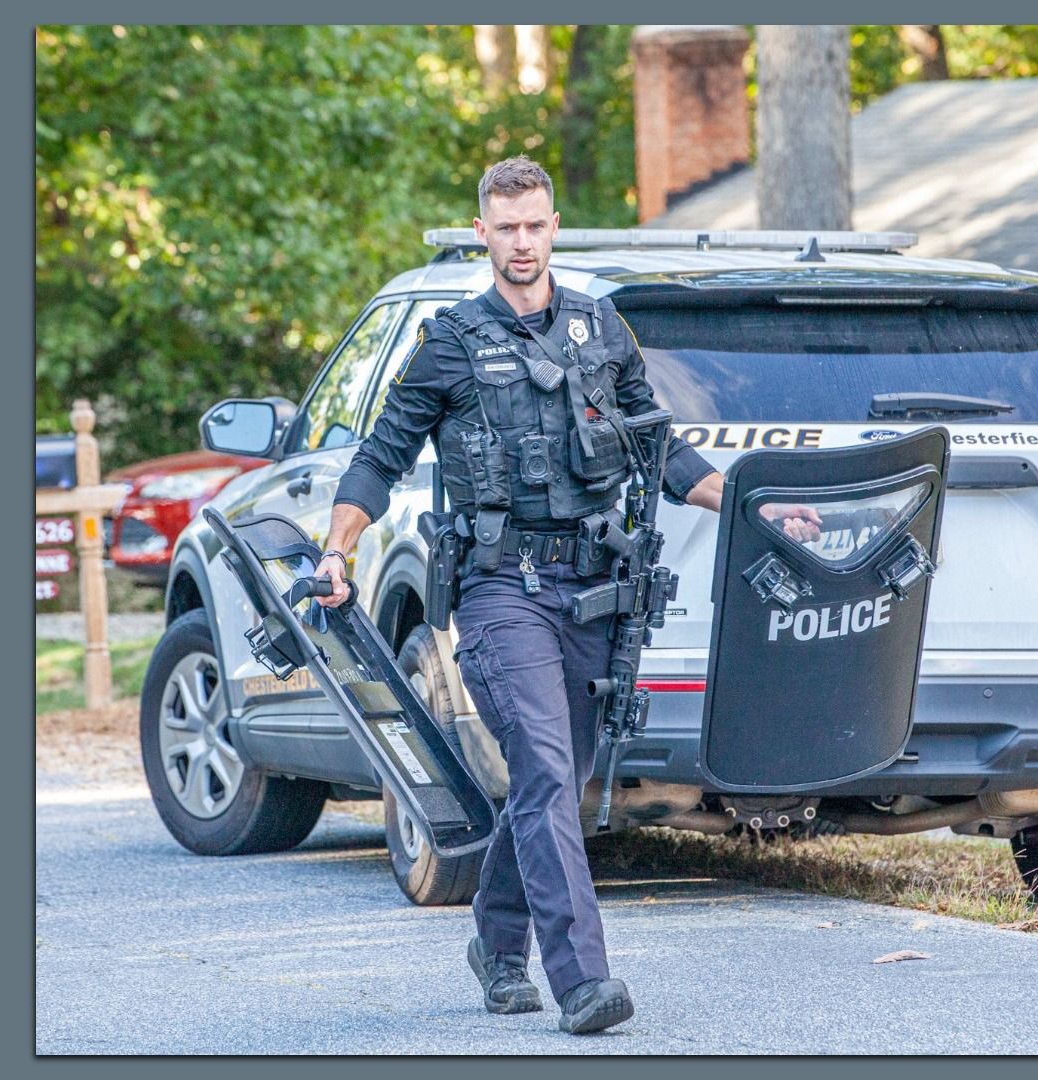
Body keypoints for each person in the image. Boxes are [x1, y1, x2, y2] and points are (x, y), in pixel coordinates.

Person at [312, 155, 819, 1034]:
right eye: (504, 227)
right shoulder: (450, 344)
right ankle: (581, 979)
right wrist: (336, 549)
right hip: (502, 588)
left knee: (560, 782)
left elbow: (661, 451)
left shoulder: (599, 329)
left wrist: (751, 499)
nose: (520, 241)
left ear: (554, 227)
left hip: (595, 588)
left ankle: (495, 945)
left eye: (534, 224)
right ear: (483, 232)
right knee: (546, 768)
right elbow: (378, 456)